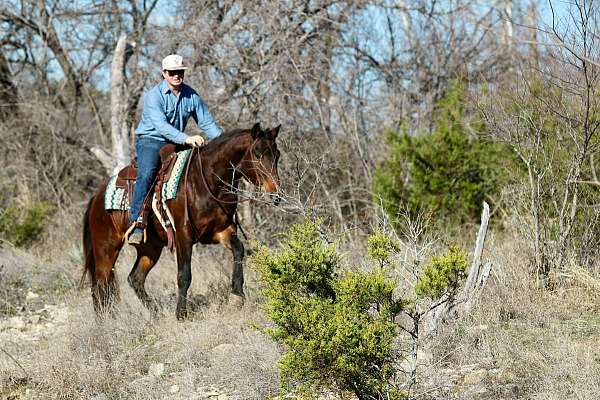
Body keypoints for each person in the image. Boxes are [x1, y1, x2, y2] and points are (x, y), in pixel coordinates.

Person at [128, 54, 223, 245]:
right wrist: (188, 138)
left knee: (199, 169)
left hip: (177, 141)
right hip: (151, 140)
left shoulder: (192, 95)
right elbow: (161, 126)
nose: (176, 76)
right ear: (164, 73)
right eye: (172, 72)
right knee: (147, 172)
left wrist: (222, 143)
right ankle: (137, 221)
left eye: (180, 72)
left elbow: (206, 122)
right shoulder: (153, 96)